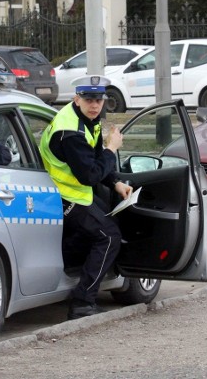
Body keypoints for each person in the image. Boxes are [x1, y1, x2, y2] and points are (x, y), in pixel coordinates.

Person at [38, 74, 133, 320]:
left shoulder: (87, 119)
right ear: (77, 99)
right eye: (89, 99)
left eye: (99, 100)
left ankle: (69, 275)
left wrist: (115, 183)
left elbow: (94, 158)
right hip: (63, 196)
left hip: (76, 192)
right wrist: (112, 148)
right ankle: (83, 301)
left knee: (102, 227)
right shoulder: (69, 132)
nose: (94, 105)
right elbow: (89, 175)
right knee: (109, 237)